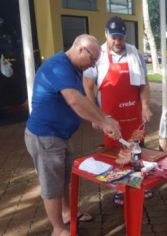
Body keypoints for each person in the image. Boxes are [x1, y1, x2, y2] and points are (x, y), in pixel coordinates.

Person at [24, 34, 121, 236]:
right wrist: (103, 122)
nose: (93, 64)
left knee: (64, 179)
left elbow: (84, 99)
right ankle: (58, 229)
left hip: (60, 136)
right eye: (92, 59)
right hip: (45, 136)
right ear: (80, 49)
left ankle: (67, 214)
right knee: (52, 186)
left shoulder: (75, 69)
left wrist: (101, 117)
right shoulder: (59, 66)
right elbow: (75, 101)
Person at [83, 16, 152, 206]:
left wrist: (145, 106)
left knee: (137, 151)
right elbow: (88, 86)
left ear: (125, 36)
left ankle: (138, 184)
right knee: (115, 155)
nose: (117, 42)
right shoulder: (98, 55)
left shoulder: (135, 53)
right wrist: (95, 115)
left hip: (134, 115)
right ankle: (121, 190)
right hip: (110, 118)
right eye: (113, 37)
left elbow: (144, 84)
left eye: (120, 37)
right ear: (106, 35)